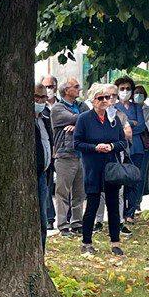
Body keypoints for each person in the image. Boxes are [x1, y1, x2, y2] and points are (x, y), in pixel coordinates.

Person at [75, 82, 128, 256]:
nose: (105, 101)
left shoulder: (113, 120)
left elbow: (123, 142)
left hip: (111, 168)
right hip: (93, 168)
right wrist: (95, 147)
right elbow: (77, 143)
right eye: (101, 98)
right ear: (93, 100)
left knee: (113, 205)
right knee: (92, 205)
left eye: (107, 97)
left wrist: (111, 146)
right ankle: (86, 242)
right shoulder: (84, 118)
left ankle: (115, 242)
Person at [49, 78, 86, 233]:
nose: (79, 89)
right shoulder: (58, 108)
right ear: (66, 90)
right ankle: (63, 224)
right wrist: (79, 122)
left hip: (81, 154)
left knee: (79, 192)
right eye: (76, 87)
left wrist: (77, 125)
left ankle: (77, 222)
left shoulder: (81, 106)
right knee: (63, 192)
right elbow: (78, 118)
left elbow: (90, 118)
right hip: (65, 154)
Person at [116, 78, 149, 224]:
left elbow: (141, 126)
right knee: (121, 181)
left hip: (137, 148)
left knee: (135, 179)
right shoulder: (114, 106)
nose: (125, 91)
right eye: (122, 88)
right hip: (121, 148)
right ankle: (120, 212)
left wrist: (127, 125)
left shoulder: (137, 107)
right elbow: (116, 126)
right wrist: (131, 123)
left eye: (128, 88)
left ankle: (130, 212)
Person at [34, 87, 56, 234]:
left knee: (42, 215)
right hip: (31, 173)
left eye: (43, 97)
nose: (39, 100)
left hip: (44, 172)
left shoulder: (45, 118)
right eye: (36, 96)